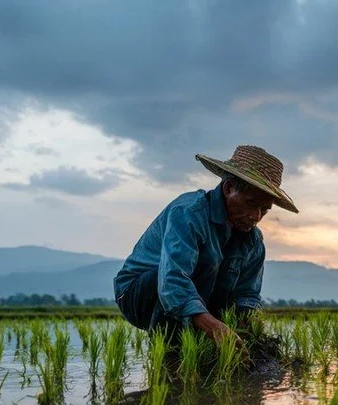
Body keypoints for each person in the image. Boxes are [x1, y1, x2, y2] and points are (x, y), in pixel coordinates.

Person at [114, 145, 298, 343]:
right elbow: (173, 280)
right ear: (228, 189)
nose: (256, 216)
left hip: (201, 292)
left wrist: (249, 333)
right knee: (203, 265)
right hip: (140, 292)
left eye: (265, 210)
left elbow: (247, 294)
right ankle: (170, 357)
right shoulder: (188, 213)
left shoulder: (254, 242)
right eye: (251, 203)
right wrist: (215, 328)